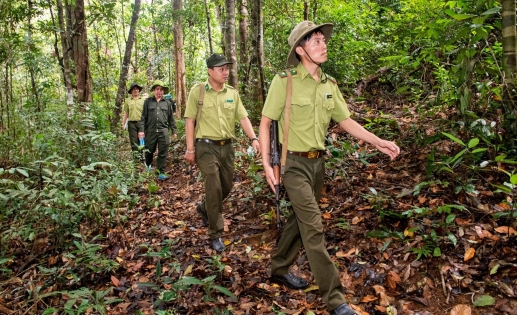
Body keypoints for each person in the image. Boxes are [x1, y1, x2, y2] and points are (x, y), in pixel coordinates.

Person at [258, 21, 400, 315]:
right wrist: (267, 165)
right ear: (300, 50)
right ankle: (335, 300)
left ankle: (279, 267)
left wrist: (378, 141)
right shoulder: (283, 81)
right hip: (292, 164)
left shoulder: (329, 84)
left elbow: (346, 121)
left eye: (323, 40)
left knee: (300, 221)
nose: (323, 45)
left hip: (317, 164)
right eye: (315, 41)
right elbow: (266, 122)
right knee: (313, 227)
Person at [184, 53, 261, 253]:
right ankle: (216, 233)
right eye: (221, 69)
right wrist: (190, 149)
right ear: (210, 71)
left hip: (227, 148)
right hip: (205, 147)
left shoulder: (232, 93)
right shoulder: (198, 92)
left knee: (226, 186)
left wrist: (254, 138)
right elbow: (190, 120)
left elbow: (243, 117)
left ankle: (204, 207)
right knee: (213, 187)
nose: (225, 72)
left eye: (227, 68)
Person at [138, 80, 177, 180]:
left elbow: (171, 118)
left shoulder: (167, 103)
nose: (159, 91)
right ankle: (148, 168)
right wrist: (141, 130)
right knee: (149, 151)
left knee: (163, 152)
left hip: (163, 131)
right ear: (154, 91)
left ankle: (161, 172)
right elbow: (143, 117)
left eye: (161, 90)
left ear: (163, 91)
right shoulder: (148, 102)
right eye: (157, 89)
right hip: (150, 131)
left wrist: (174, 131)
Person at [122, 82, 145, 161]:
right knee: (133, 141)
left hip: (141, 123)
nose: (135, 90)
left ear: (139, 90)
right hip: (131, 124)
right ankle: (136, 158)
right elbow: (126, 113)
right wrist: (123, 123)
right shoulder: (128, 101)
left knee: (141, 140)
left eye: (137, 89)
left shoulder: (143, 100)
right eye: (134, 89)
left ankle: (142, 156)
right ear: (131, 91)